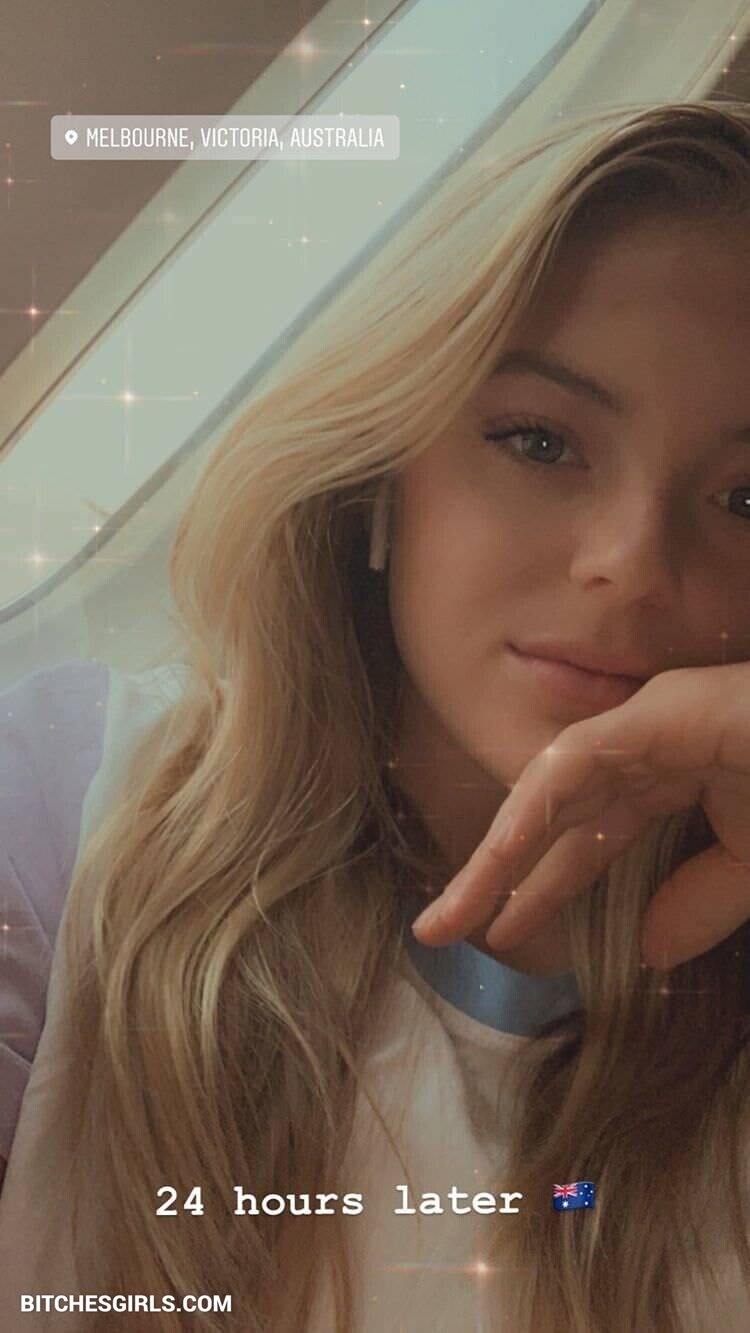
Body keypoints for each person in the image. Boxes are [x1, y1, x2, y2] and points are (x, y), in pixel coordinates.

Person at [2, 96, 750, 1331]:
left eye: (749, 499)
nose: (631, 563)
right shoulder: (61, 819)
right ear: (385, 467)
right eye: (539, 441)